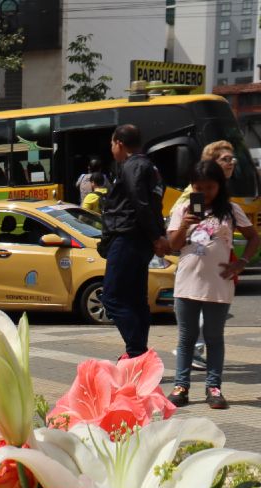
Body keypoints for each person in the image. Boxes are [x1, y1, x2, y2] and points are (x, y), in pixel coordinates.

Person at [165, 160, 258, 410]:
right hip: (187, 282)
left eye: (210, 187)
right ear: (192, 186)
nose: (205, 193)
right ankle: (181, 386)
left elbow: (253, 237)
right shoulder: (183, 208)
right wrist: (185, 224)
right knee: (186, 338)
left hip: (219, 283)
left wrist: (241, 264)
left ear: (220, 185)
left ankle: (214, 388)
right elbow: (172, 245)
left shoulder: (231, 210)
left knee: (214, 337)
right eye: (199, 187)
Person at [101, 124, 167, 360]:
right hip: (140, 241)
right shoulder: (151, 167)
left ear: (119, 143)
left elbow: (141, 204)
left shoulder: (133, 166)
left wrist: (156, 236)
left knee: (112, 297)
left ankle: (137, 352)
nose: (111, 150)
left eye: (111, 144)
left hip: (128, 237)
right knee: (136, 299)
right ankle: (138, 353)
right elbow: (153, 205)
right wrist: (157, 235)